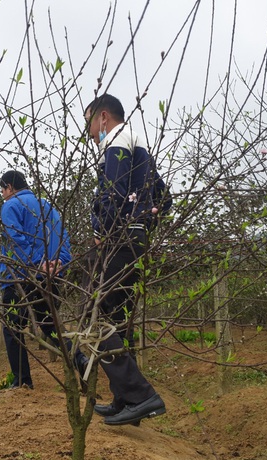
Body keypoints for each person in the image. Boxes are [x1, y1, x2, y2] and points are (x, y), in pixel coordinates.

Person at [83, 94, 172, 426]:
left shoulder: (117, 140)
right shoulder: (141, 148)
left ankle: (141, 396)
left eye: (90, 123)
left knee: (96, 315)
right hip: (136, 238)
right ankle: (125, 401)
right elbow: (164, 198)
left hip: (119, 237)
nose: (90, 133)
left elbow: (114, 193)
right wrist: (145, 222)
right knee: (117, 318)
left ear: (103, 117)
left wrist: (101, 229)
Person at [0, 170, 87, 389]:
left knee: (13, 328)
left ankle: (22, 382)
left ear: (9, 187)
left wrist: (38, 263)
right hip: (50, 276)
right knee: (49, 324)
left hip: (21, 277)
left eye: (2, 189)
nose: (2, 194)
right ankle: (81, 360)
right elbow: (62, 237)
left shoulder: (11, 205)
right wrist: (59, 263)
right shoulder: (48, 206)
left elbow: (15, 239)